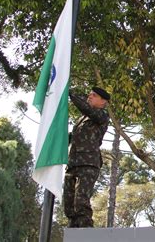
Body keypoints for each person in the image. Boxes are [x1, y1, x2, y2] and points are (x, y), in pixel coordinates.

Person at [63, 86, 110, 228]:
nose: (89, 96)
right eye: (90, 94)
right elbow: (72, 138)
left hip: (88, 164)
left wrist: (70, 94)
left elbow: (87, 109)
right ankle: (73, 232)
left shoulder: (102, 115)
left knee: (81, 203)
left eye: (94, 95)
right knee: (69, 206)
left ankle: (85, 233)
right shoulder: (81, 119)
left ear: (103, 102)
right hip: (72, 164)